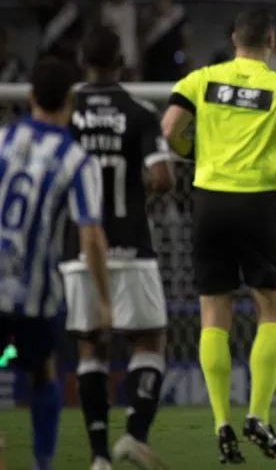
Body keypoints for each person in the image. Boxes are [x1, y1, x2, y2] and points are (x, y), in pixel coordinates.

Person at [161, 8, 276, 463]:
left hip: (209, 201)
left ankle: (220, 422)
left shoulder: (200, 79)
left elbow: (169, 128)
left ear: (233, 38)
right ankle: (258, 415)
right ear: (271, 39)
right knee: (271, 310)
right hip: (258, 201)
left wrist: (195, 153)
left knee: (214, 313)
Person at [60, 27, 175, 470]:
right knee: (149, 341)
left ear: (82, 64)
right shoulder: (140, 113)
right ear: (122, 62)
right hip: (130, 243)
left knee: (91, 347)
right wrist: (138, 186)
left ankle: (98, 457)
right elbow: (162, 177)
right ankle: (134, 434)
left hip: (78, 247)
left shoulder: (68, 113)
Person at [0, 58, 110, 470]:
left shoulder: (2, 140)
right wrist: (103, 300)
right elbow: (90, 234)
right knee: (43, 373)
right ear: (71, 103)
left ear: (30, 97)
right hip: (34, 291)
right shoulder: (76, 160)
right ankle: (42, 463)